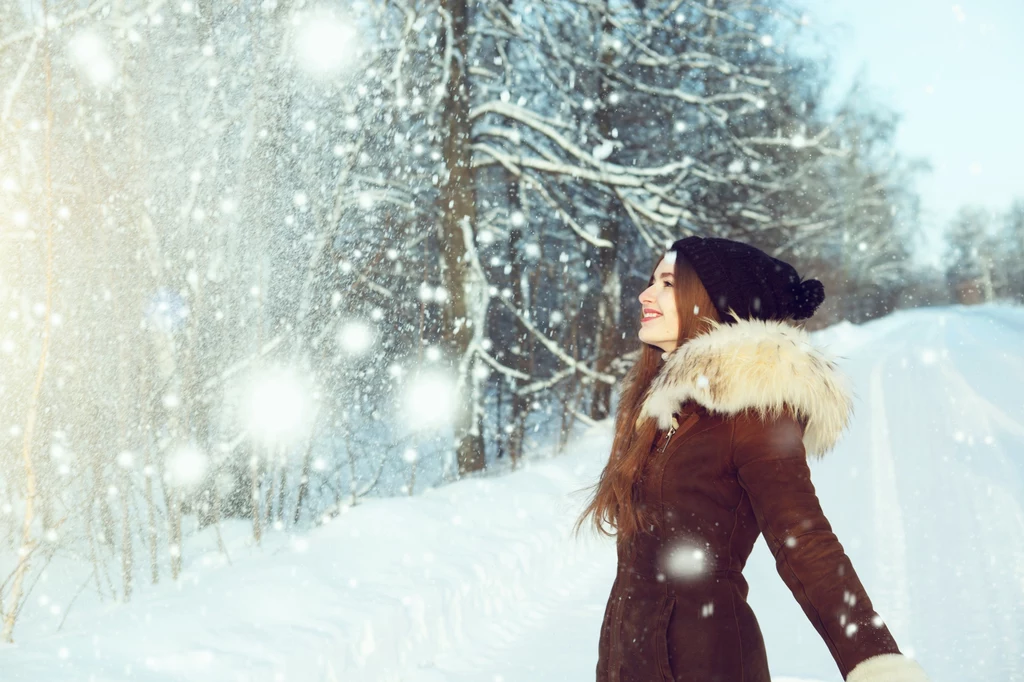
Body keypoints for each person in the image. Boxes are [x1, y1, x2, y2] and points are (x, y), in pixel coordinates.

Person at [575, 236, 931, 682]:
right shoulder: (672, 408)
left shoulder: (755, 412)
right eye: (651, 281)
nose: (646, 294)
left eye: (667, 283)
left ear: (710, 302)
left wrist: (874, 659)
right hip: (628, 660)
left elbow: (804, 539)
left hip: (703, 663)